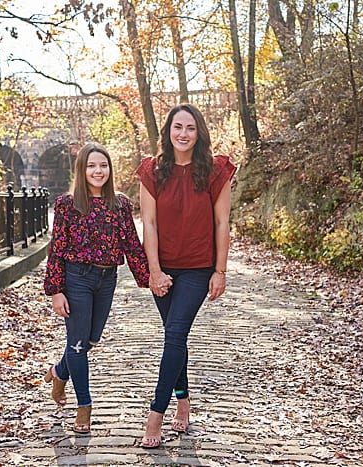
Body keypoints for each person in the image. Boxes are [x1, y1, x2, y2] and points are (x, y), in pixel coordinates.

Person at [136, 103, 236, 448]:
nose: (183, 134)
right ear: (168, 131)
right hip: (163, 267)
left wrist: (220, 271)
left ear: (199, 132)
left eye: (190, 128)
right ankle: (183, 399)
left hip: (197, 266)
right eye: (177, 127)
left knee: (175, 333)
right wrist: (154, 271)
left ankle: (155, 415)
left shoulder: (214, 170)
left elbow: (223, 222)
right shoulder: (152, 171)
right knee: (173, 338)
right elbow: (147, 222)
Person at [43, 142, 149, 434]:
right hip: (77, 278)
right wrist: (55, 290)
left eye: (103, 165)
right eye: (91, 165)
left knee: (90, 341)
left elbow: (131, 245)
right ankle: (84, 406)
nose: (98, 171)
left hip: (107, 280)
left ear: (110, 169)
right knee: (77, 343)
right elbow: (57, 249)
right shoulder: (67, 203)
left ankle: (59, 372)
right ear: (82, 169)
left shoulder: (121, 204)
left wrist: (150, 278)